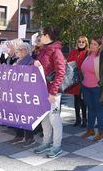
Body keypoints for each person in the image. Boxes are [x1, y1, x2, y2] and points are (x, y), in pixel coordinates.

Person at [33, 26, 65, 158]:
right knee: (44, 119)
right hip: (42, 90)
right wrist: (36, 64)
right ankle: (46, 142)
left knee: (54, 119)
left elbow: (61, 72)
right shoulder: (44, 50)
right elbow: (42, 67)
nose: (40, 37)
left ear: (47, 36)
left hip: (52, 93)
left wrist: (53, 92)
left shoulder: (56, 51)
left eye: (42, 35)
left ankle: (57, 146)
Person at [80, 37, 103, 141]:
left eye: (95, 44)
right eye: (91, 43)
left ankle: (101, 132)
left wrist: (100, 84)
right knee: (90, 109)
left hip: (97, 87)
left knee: (100, 110)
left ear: (100, 46)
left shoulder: (102, 56)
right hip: (86, 86)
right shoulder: (87, 55)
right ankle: (90, 130)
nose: (92, 45)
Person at [10, 42, 37, 148]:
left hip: (26, 93)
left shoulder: (31, 61)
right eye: (17, 50)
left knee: (27, 115)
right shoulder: (17, 61)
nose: (17, 52)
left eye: (19, 50)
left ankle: (30, 138)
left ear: (26, 51)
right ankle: (19, 135)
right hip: (17, 91)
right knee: (17, 114)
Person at [66, 35, 88, 127]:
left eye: (83, 42)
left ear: (86, 43)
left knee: (83, 101)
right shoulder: (73, 52)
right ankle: (77, 119)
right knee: (76, 100)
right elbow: (69, 63)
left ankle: (84, 120)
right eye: (79, 41)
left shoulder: (88, 52)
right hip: (74, 79)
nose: (81, 43)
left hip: (84, 79)